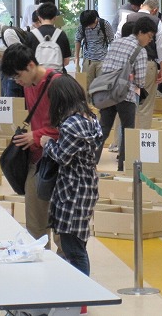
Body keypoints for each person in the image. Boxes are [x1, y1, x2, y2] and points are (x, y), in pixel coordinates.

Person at [0, 44, 61, 250]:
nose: (18, 82)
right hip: (36, 160)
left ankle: (66, 269)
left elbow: (73, 127)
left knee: (61, 225)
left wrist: (36, 135)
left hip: (59, 162)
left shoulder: (58, 84)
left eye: (18, 76)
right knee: (35, 225)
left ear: (31, 65)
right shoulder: (28, 86)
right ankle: (41, 266)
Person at [40, 75, 101, 278]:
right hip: (87, 187)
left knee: (74, 250)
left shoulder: (70, 125)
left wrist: (47, 143)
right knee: (78, 244)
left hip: (72, 192)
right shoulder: (91, 119)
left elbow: (62, 157)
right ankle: (79, 299)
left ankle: (80, 300)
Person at [95, 16, 155, 171]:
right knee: (128, 131)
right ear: (140, 33)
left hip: (108, 92)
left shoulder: (116, 42)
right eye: (149, 36)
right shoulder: (140, 51)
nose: (149, 40)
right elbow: (140, 81)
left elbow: (106, 66)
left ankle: (90, 162)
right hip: (126, 95)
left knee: (104, 129)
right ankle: (123, 167)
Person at [124, 0, 162, 129]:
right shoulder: (156, 21)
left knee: (125, 104)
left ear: (142, 5)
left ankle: (120, 142)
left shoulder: (127, 17)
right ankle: (140, 141)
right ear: (155, 10)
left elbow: (117, 37)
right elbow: (160, 47)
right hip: (147, 64)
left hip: (127, 65)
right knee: (145, 104)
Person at [74, 9, 114, 92]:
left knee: (101, 87)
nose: (88, 27)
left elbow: (112, 41)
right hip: (88, 61)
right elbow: (78, 40)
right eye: (87, 25)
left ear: (95, 19)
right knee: (86, 87)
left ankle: (100, 104)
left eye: (90, 25)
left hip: (102, 60)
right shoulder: (83, 25)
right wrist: (76, 58)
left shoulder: (104, 24)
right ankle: (88, 104)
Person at [28, 2, 72, 71]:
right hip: (58, 78)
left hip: (38, 78)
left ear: (39, 17)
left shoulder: (31, 35)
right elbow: (66, 61)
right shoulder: (61, 34)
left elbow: (27, 61)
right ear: (55, 18)